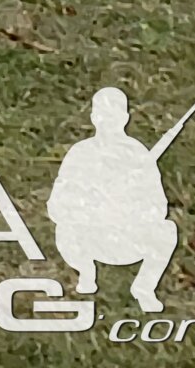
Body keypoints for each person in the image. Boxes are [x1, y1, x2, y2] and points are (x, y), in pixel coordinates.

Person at [51, 88, 181, 313]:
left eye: (114, 115)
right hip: (89, 236)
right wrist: (89, 207)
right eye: (102, 114)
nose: (108, 121)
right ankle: (86, 272)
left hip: (128, 236)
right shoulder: (80, 153)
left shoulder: (138, 155)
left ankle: (144, 287)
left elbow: (158, 206)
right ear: (93, 117)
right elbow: (58, 202)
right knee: (64, 229)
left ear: (125, 118)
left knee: (166, 230)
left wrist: (131, 205)